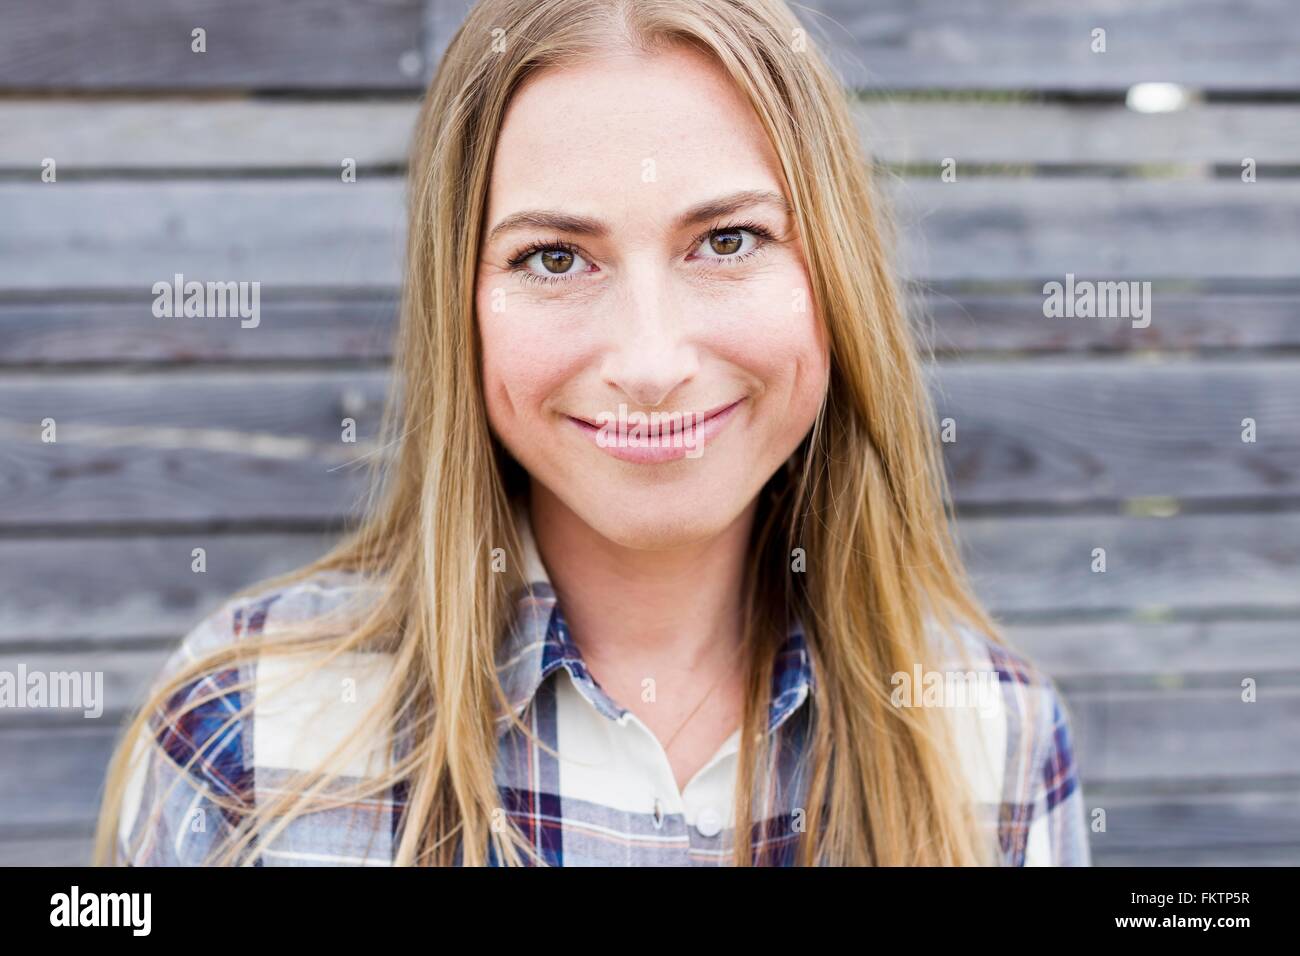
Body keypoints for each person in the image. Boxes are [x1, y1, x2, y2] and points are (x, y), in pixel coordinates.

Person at [95, 0, 1090, 867]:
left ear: (833, 275)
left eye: (728, 240)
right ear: (459, 305)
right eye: (555, 258)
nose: (650, 363)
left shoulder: (989, 737)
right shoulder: (246, 727)